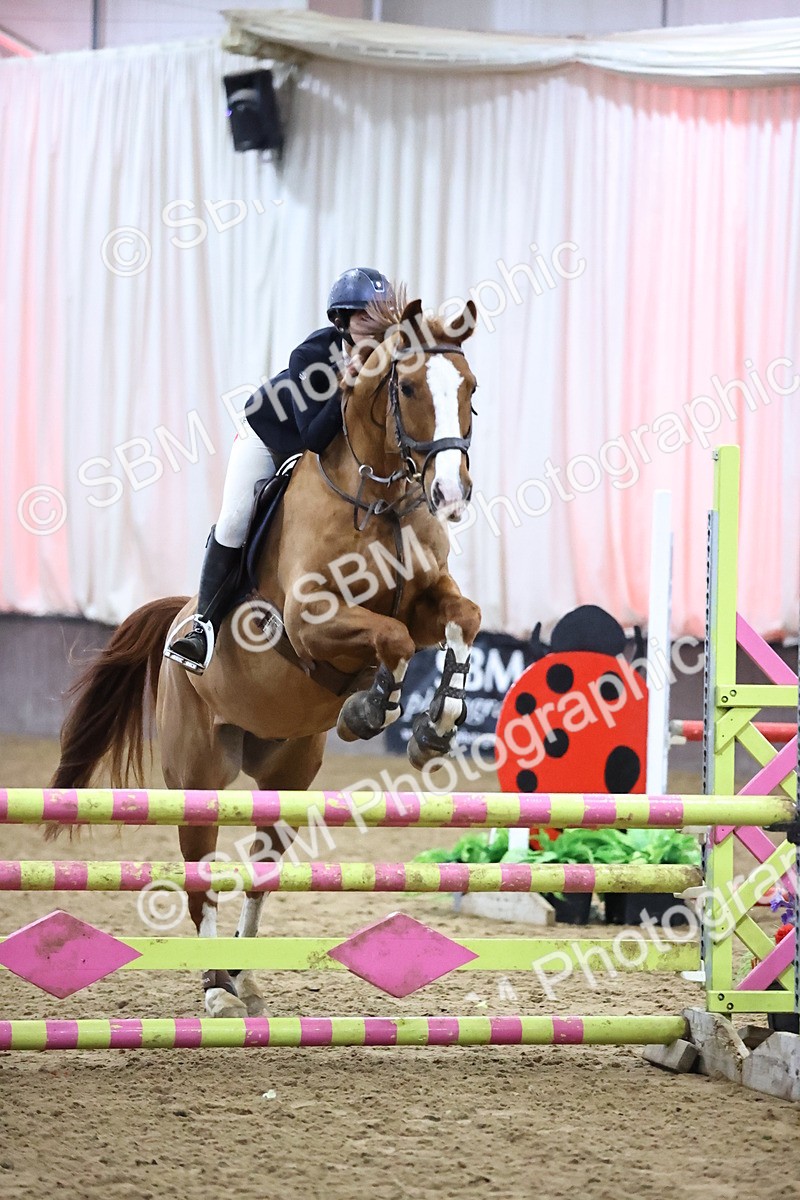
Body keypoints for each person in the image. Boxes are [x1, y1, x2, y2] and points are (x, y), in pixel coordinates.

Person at [164, 266, 393, 674]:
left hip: (330, 450)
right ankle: (202, 629)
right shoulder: (311, 358)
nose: (374, 328)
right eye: (363, 318)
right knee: (235, 520)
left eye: (380, 318)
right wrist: (347, 385)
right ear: (341, 320)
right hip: (271, 437)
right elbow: (314, 438)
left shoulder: (388, 356)